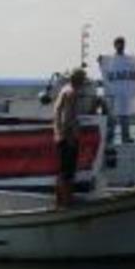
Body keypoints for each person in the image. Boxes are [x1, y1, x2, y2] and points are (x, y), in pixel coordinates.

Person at [53, 68, 87, 208]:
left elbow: (58, 113)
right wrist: (70, 136)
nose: (84, 82)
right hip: (68, 137)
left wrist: (60, 133)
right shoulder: (71, 93)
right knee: (68, 171)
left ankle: (60, 201)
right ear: (79, 80)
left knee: (63, 170)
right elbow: (67, 117)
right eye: (83, 79)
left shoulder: (64, 90)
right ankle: (67, 202)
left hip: (60, 136)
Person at [111, 36, 134, 143]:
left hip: (125, 92)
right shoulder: (110, 60)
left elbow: (134, 71)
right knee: (113, 116)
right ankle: (109, 137)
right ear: (115, 45)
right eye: (119, 44)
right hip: (114, 93)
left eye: (122, 44)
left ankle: (126, 137)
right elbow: (106, 72)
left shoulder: (128, 59)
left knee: (125, 115)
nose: (121, 46)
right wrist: (101, 62)